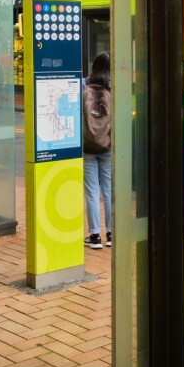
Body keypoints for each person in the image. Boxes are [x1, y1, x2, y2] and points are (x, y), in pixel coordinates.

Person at [82, 51, 112, 249]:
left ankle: (94, 237)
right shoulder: (112, 89)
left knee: (92, 191)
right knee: (109, 190)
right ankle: (111, 234)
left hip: (88, 147)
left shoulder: (84, 86)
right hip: (108, 146)